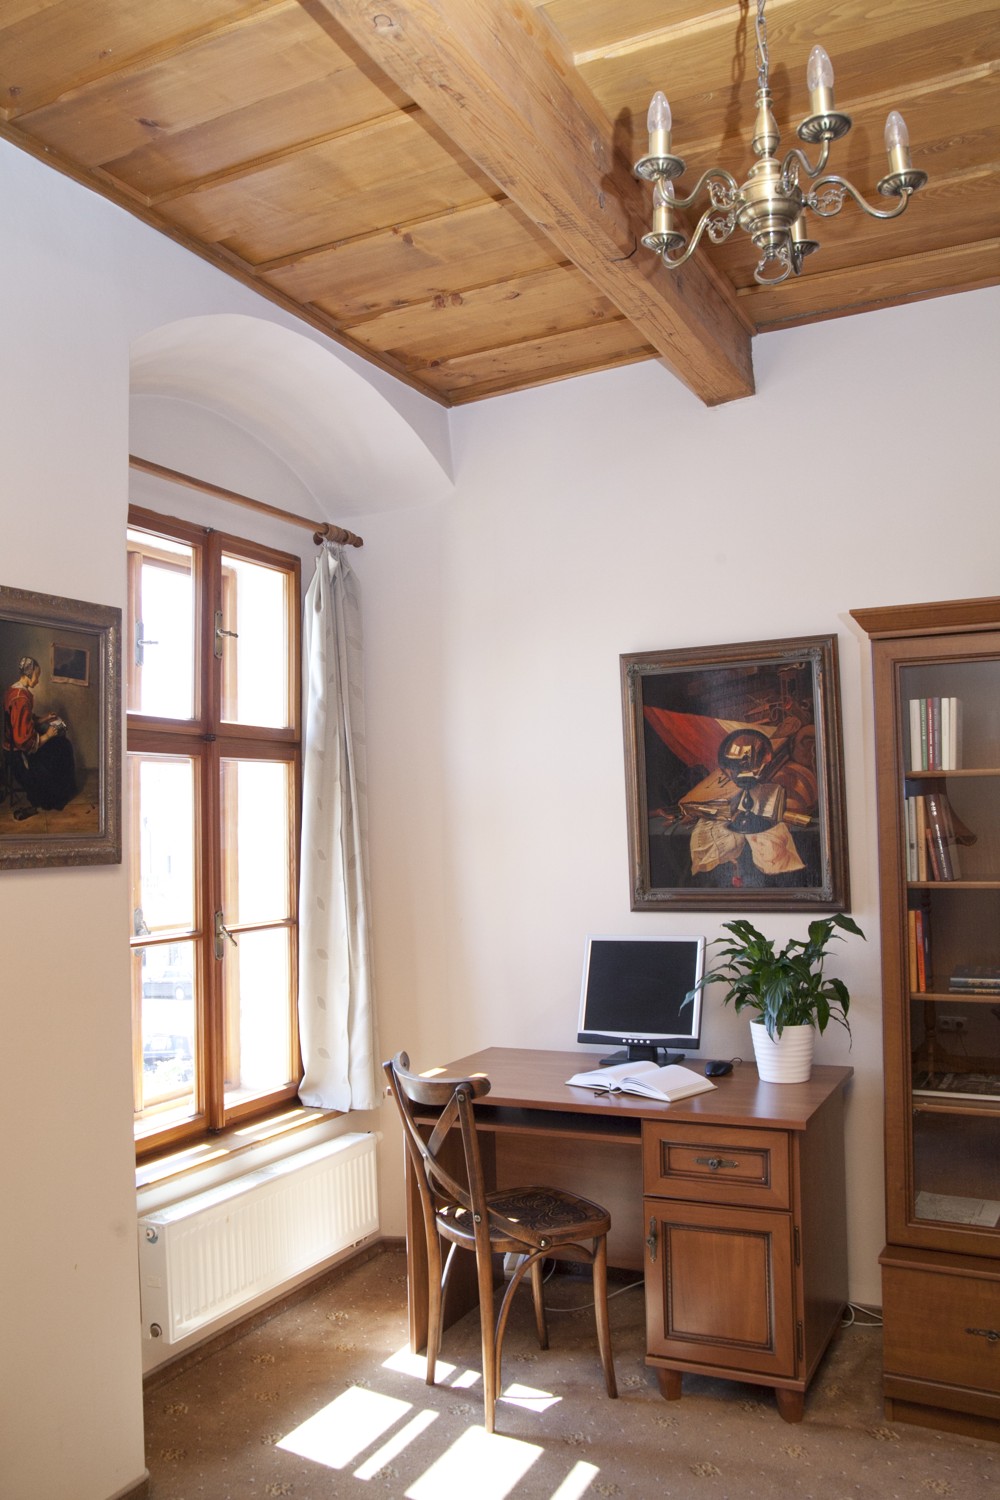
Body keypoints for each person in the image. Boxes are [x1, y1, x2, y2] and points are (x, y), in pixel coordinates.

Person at [2, 655, 77, 817]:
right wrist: (48, 735)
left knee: (62, 745)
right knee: (63, 748)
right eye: (37, 676)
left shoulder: (14, 690)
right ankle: (58, 796)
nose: (37, 680)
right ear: (28, 675)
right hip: (18, 754)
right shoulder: (21, 699)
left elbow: (24, 722)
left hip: (16, 745)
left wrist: (44, 719)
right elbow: (23, 741)